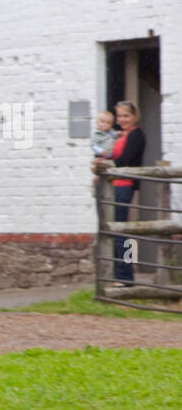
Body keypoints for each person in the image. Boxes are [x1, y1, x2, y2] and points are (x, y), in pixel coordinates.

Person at [92, 100, 147, 283]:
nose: (122, 119)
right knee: (111, 231)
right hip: (111, 186)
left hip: (123, 186)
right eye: (120, 116)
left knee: (120, 231)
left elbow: (124, 160)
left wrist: (104, 165)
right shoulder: (118, 135)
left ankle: (125, 277)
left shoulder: (136, 135)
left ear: (134, 117)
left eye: (126, 116)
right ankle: (116, 275)